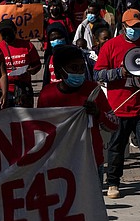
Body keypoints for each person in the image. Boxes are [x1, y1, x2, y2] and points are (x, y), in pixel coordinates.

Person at [94, 9, 140, 206]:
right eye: (132, 27)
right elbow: (98, 75)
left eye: (139, 27)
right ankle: (113, 183)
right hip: (118, 106)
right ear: (123, 26)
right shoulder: (110, 46)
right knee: (117, 148)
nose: (136, 30)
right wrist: (120, 72)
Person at [38, 45, 118, 176]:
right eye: (74, 68)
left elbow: (114, 124)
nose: (79, 72)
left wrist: (98, 113)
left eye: (81, 68)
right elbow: (40, 132)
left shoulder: (93, 90)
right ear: (59, 71)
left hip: (91, 161)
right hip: (59, 164)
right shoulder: (47, 95)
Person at [0, 19, 42, 107]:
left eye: (9, 32)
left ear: (15, 31)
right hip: (4, 91)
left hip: (24, 90)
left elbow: (37, 65)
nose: (6, 35)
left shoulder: (27, 45)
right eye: (3, 33)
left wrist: (32, 70)